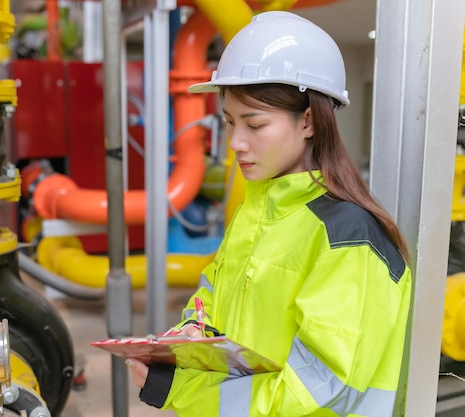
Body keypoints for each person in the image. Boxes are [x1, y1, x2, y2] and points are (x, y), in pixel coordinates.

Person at [125, 10, 412, 417]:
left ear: (309, 120)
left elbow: (319, 389)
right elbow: (210, 298)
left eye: (255, 125)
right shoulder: (255, 212)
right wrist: (187, 337)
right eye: (229, 123)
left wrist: (184, 391)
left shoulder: (348, 237)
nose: (236, 143)